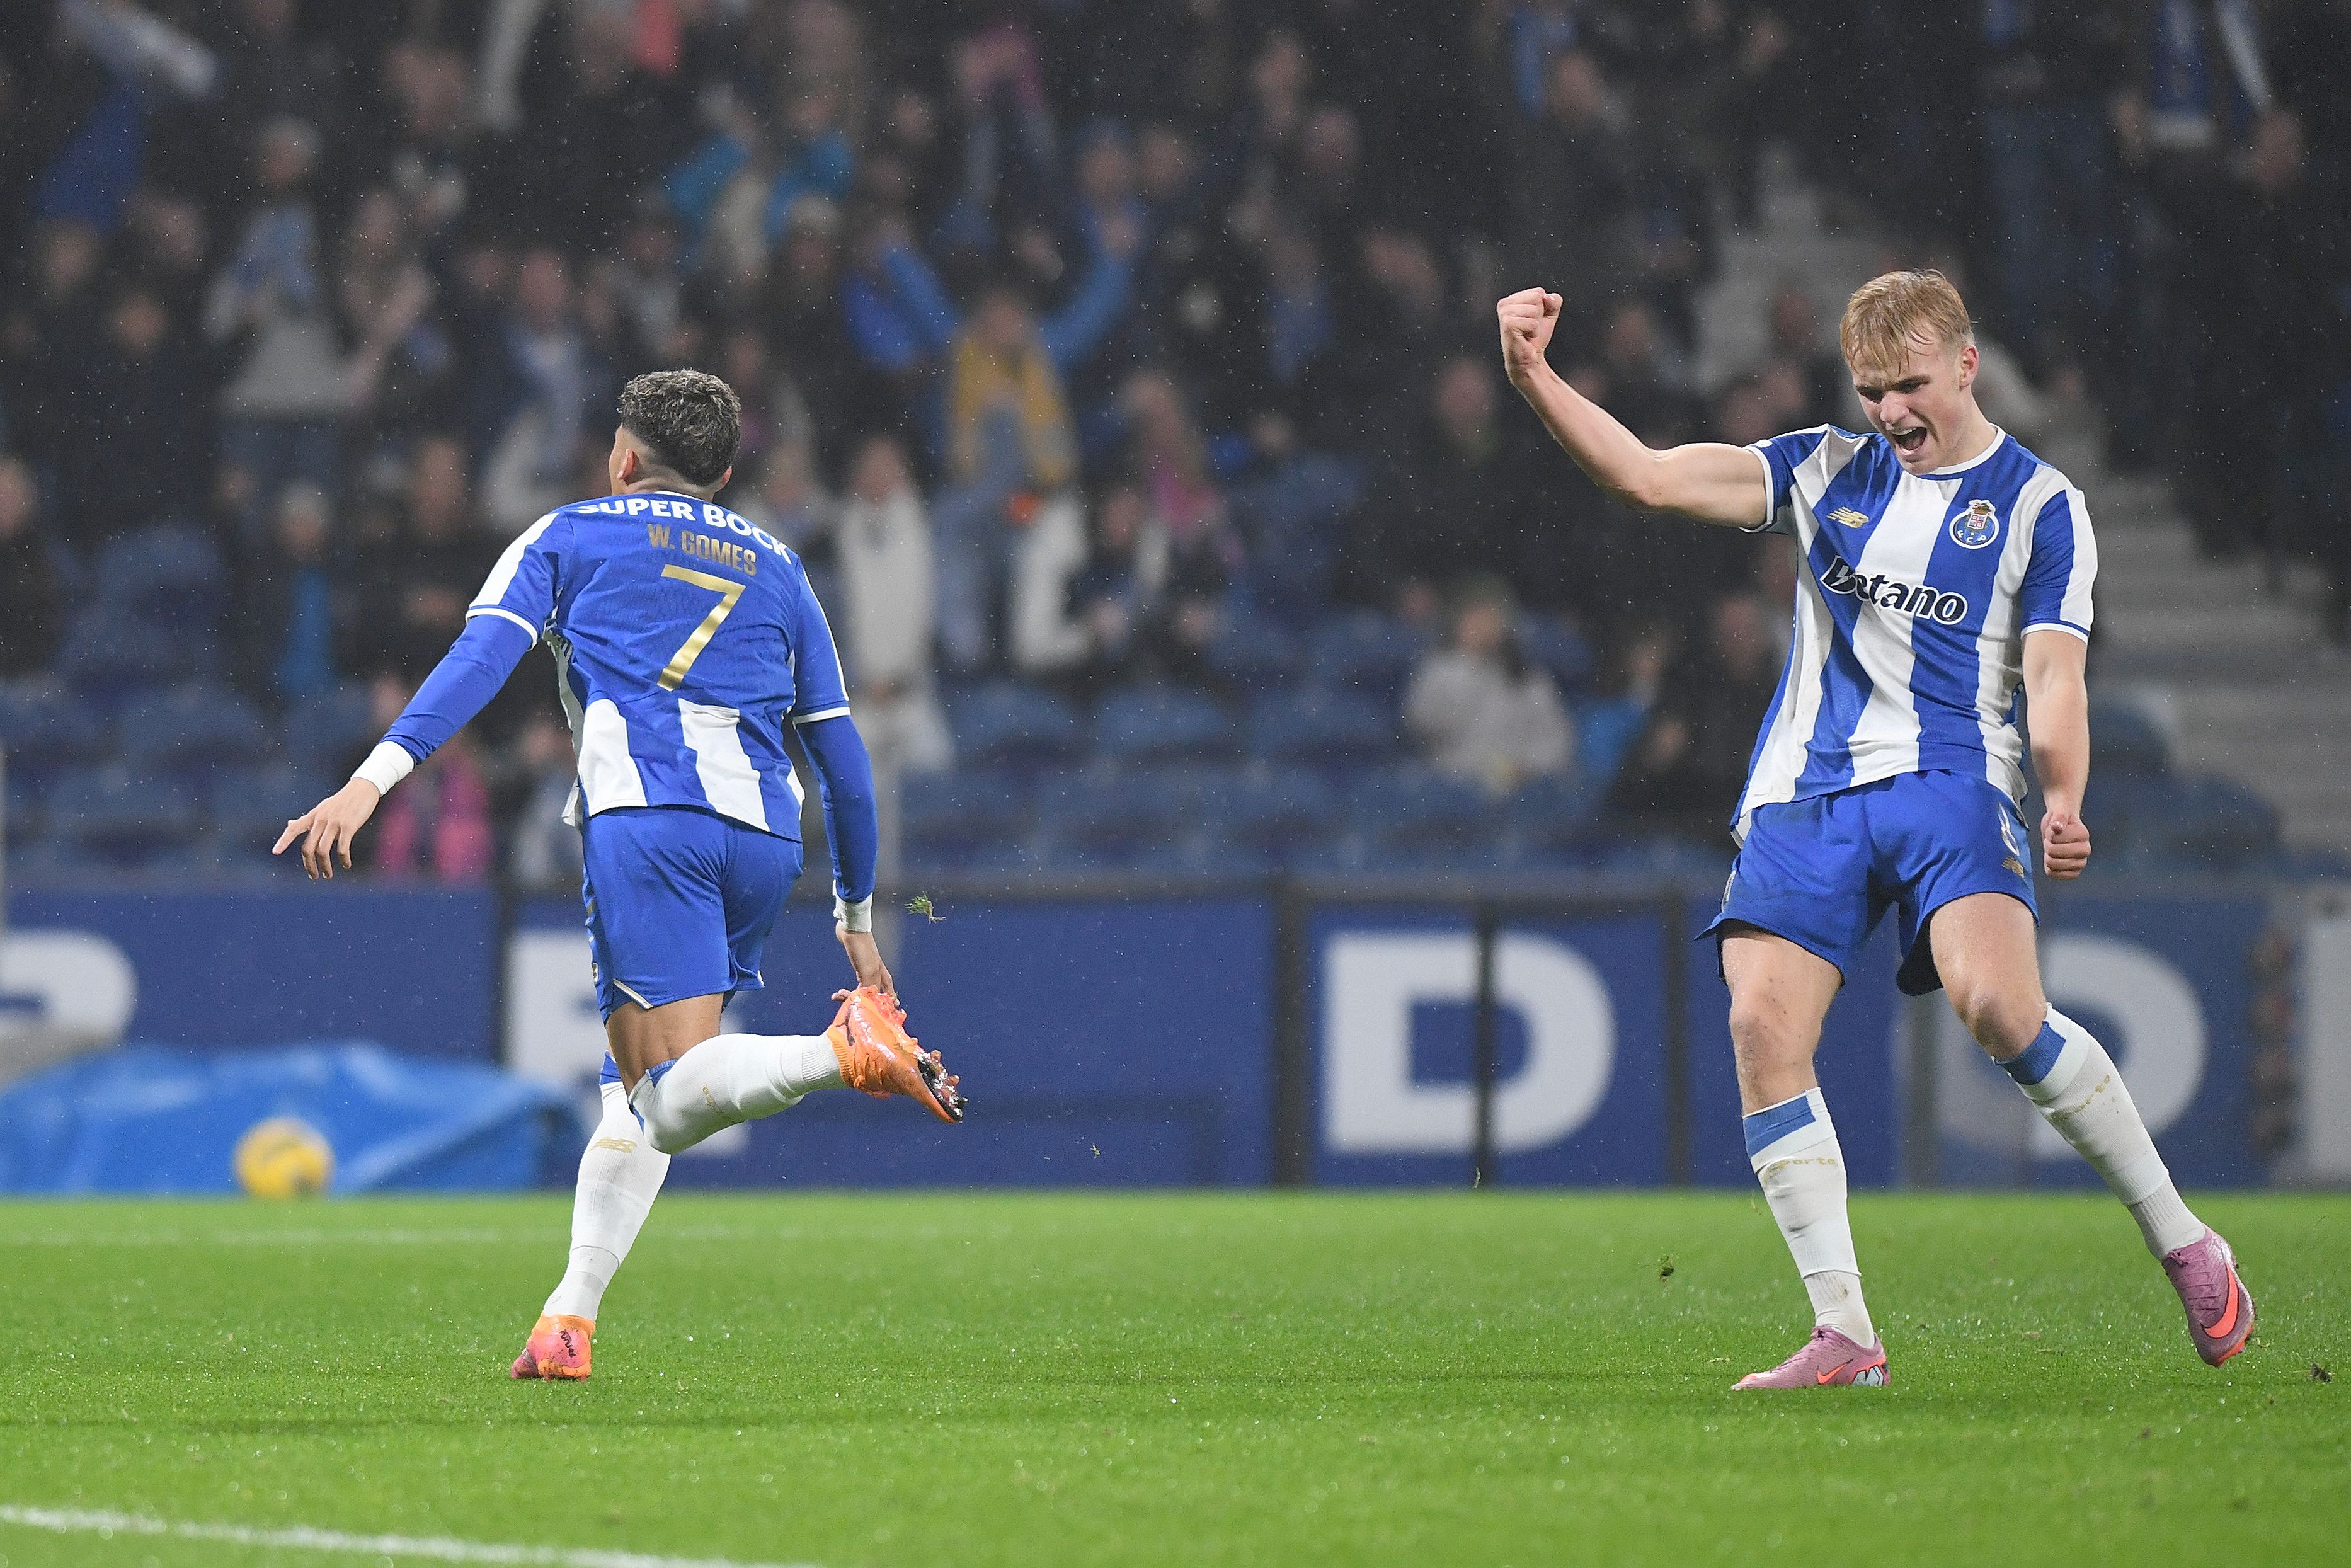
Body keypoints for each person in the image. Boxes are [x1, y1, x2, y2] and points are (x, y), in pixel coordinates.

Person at [1497, 270, 2253, 1389]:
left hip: (1955, 776)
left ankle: (2186, 1239)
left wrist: (2062, 794)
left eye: (1909, 386)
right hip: (1809, 786)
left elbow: (2054, 677)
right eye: (1870, 391)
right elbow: (1648, 478)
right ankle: (1845, 1333)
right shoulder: (1820, 467)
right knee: (1761, 1024)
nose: (1891, 411)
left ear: (1965, 365)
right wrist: (1532, 375)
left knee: (1999, 1006)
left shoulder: (2043, 507)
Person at [274, 370, 966, 1382]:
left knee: (667, 1097)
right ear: (725, 475)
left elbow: (478, 659)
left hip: (649, 819)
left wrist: (371, 781)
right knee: (628, 1095)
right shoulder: (780, 566)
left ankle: (837, 1052)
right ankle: (569, 1318)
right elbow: (844, 761)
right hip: (764, 841)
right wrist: (857, 911)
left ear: (623, 457)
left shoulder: (571, 534)